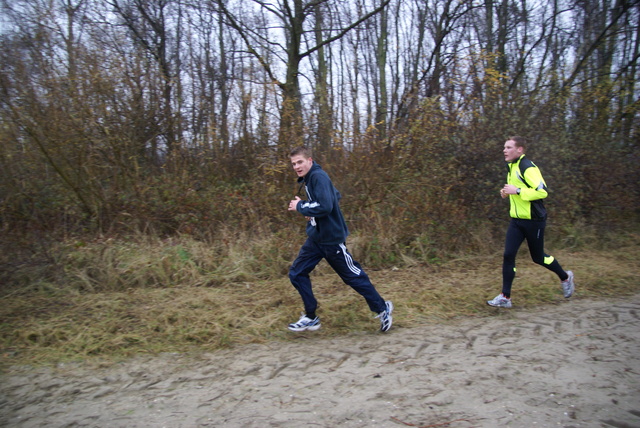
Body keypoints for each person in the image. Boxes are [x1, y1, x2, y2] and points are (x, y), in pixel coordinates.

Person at [286, 146, 393, 332]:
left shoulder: (318, 177)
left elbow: (326, 206)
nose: (297, 166)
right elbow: (335, 195)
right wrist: (311, 212)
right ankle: (311, 317)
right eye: (294, 164)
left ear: (309, 160)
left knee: (353, 276)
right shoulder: (310, 178)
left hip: (331, 240)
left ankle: (382, 309)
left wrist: (302, 206)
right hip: (316, 238)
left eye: (300, 162)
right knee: (296, 273)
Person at [487, 136, 575, 308]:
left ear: (519, 149)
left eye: (508, 147)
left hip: (534, 221)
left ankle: (565, 277)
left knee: (539, 257)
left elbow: (542, 192)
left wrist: (517, 190)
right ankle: (505, 297)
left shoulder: (527, 167)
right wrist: (507, 192)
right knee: (508, 255)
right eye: (504, 147)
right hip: (517, 220)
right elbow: (517, 189)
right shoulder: (511, 166)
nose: (504, 150)